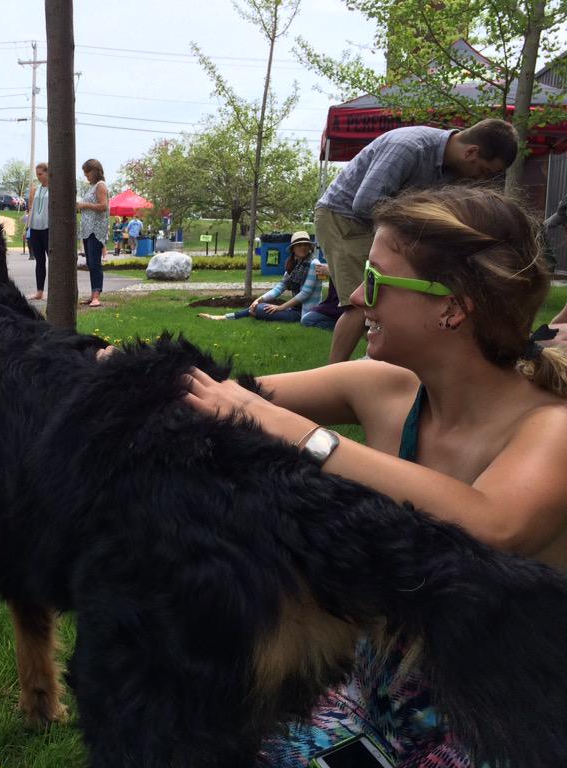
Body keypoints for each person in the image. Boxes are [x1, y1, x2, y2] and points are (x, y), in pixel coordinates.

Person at [182, 186, 567, 767]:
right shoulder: (382, 388)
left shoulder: (552, 429)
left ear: (454, 306)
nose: (358, 297)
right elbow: (227, 398)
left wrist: (299, 434)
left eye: (378, 280)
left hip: (501, 723)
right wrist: (108, 365)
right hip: (370, 694)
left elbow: (493, 528)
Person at [316, 118, 518, 365]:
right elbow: (365, 202)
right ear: (471, 152)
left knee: (400, 297)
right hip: (345, 218)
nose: (480, 178)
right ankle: (333, 378)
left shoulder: (451, 169)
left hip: (382, 225)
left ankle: (381, 365)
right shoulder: (409, 147)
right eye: (485, 171)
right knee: (362, 302)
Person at [199, 232, 323, 323]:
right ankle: (226, 317)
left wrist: (280, 307)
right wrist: (258, 300)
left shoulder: (313, 263)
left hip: (305, 314)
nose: (303, 247)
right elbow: (280, 288)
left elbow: (305, 294)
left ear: (310, 247)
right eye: (299, 245)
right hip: (294, 309)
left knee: (258, 310)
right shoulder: (294, 264)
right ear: (293, 249)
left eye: (305, 244)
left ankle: (224, 317)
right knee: (256, 307)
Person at [77, 158, 109, 308]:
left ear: (95, 171)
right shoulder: (91, 187)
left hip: (96, 230)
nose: (86, 176)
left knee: (95, 263)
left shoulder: (100, 186)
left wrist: (84, 205)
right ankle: (92, 294)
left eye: (87, 172)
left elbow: (104, 206)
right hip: (87, 230)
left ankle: (97, 295)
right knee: (90, 263)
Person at [26, 161, 50, 300]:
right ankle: (39, 291)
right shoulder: (36, 189)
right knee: (39, 261)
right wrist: (27, 227)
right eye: (37, 174)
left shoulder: (54, 188)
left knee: (51, 259)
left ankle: (54, 291)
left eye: (41, 174)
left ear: (47, 173)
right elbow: (32, 208)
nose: (39, 177)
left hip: (48, 228)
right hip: (35, 228)